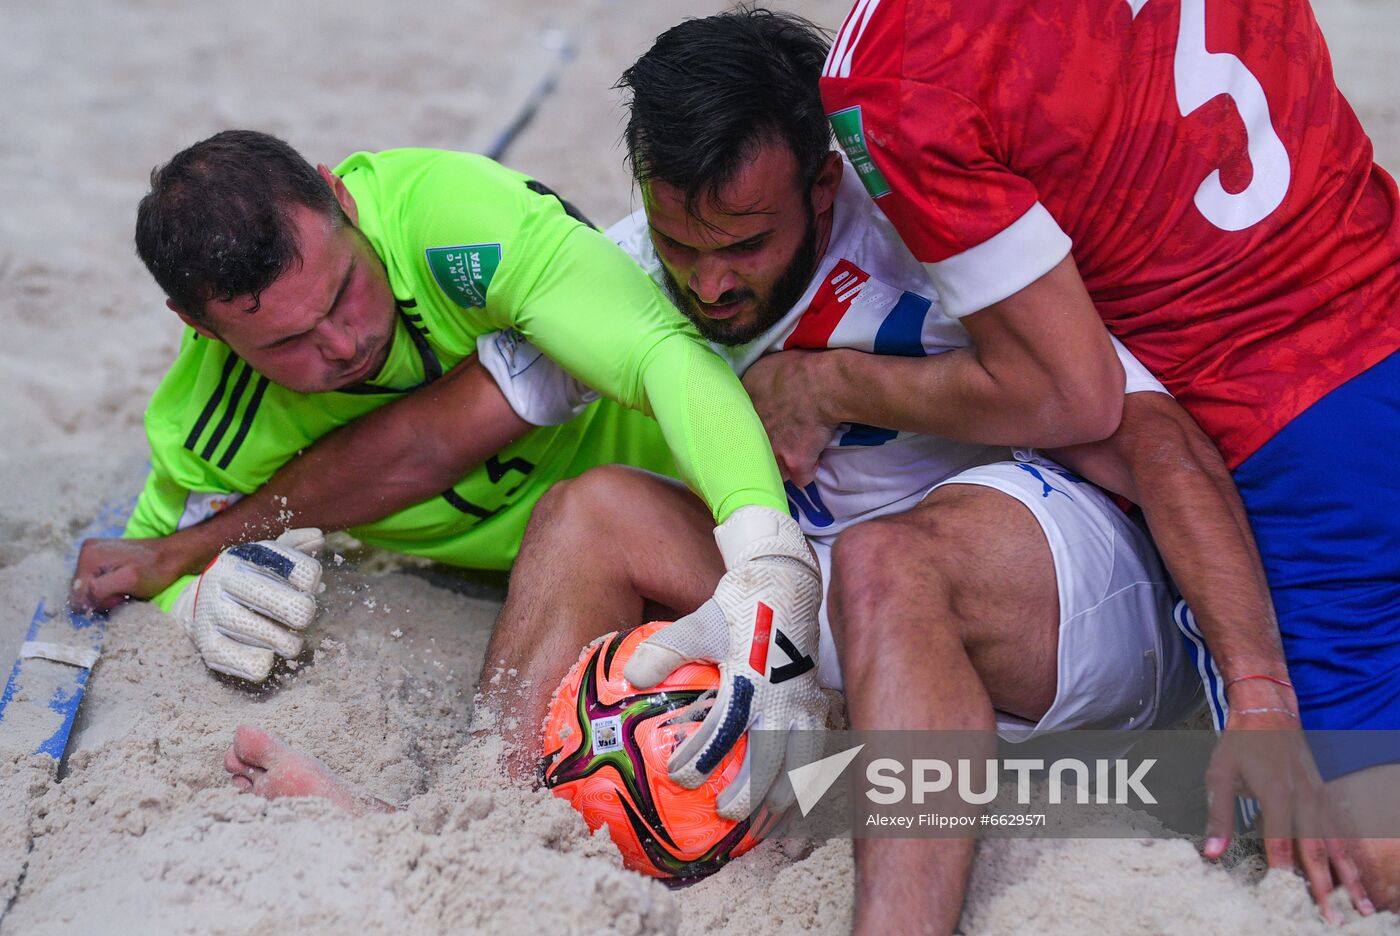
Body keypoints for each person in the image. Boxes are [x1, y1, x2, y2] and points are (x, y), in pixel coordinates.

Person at [216, 9, 1361, 928]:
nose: (709, 286)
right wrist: (205, 535)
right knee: (588, 510)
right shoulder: (634, 267)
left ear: (820, 188)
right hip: (853, 641)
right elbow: (433, 435)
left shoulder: (926, 227)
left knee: (878, 558)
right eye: (681, 245)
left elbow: (1156, 438)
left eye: (744, 247)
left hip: (1063, 615)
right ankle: (480, 804)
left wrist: (1258, 692)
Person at [819, 0, 1399, 917]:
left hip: (1282, 430)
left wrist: (828, 388)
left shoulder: (897, 63)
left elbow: (1073, 393)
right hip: (1376, 272)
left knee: (1361, 854)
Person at [71, 129, 825, 817]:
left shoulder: (455, 221)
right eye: (289, 341)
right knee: (675, 788)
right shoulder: (208, 423)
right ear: (199, 327)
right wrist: (196, 602)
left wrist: (765, 558)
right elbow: (140, 564)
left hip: (725, 499)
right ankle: (477, 817)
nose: (343, 343)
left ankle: (472, 810)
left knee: (594, 522)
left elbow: (662, 353)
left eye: (343, 292)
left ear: (342, 199)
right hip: (581, 584)